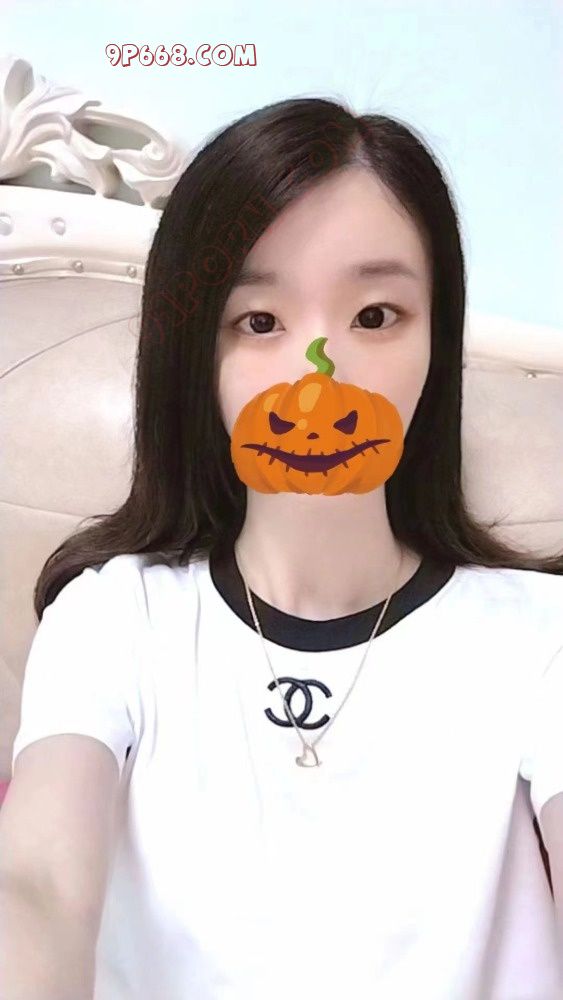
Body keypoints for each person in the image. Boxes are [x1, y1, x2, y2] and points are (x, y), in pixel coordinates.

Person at [2, 96, 563, 999]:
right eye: (258, 322)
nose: (316, 375)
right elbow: (38, 886)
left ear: (436, 341)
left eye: (375, 316)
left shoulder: (540, 638)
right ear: (196, 355)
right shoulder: (114, 616)